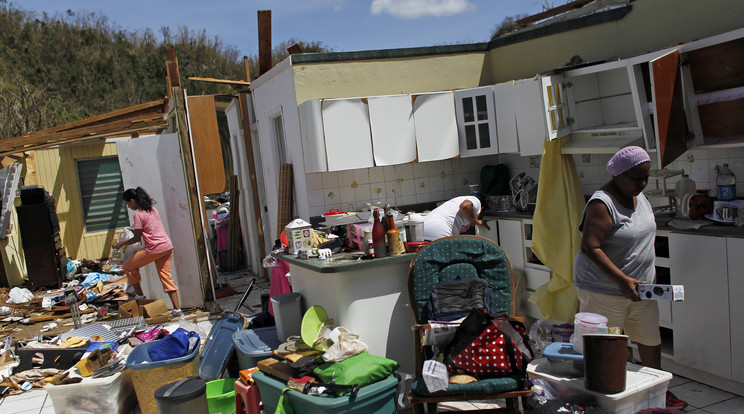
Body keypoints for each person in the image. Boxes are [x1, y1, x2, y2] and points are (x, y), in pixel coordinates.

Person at [572, 146, 686, 410]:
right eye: (637, 178)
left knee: (649, 339)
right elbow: (590, 247)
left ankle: (657, 393)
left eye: (646, 177)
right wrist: (623, 280)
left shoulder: (639, 195)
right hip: (604, 291)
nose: (643, 183)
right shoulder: (603, 204)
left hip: (641, 289)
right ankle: (607, 400)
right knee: (606, 348)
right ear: (618, 176)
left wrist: (633, 282)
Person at [114, 187, 182, 317]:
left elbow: (137, 238)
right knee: (165, 276)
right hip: (167, 246)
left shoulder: (138, 214)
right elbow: (149, 228)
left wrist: (121, 243)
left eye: (128, 203)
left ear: (132, 200)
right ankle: (177, 309)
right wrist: (135, 229)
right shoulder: (152, 210)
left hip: (154, 248)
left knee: (128, 266)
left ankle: (139, 295)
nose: (128, 206)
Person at [423, 195, 490, 241]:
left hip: (423, 230)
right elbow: (465, 206)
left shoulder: (466, 219)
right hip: (439, 230)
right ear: (481, 209)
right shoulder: (475, 200)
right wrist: (478, 221)